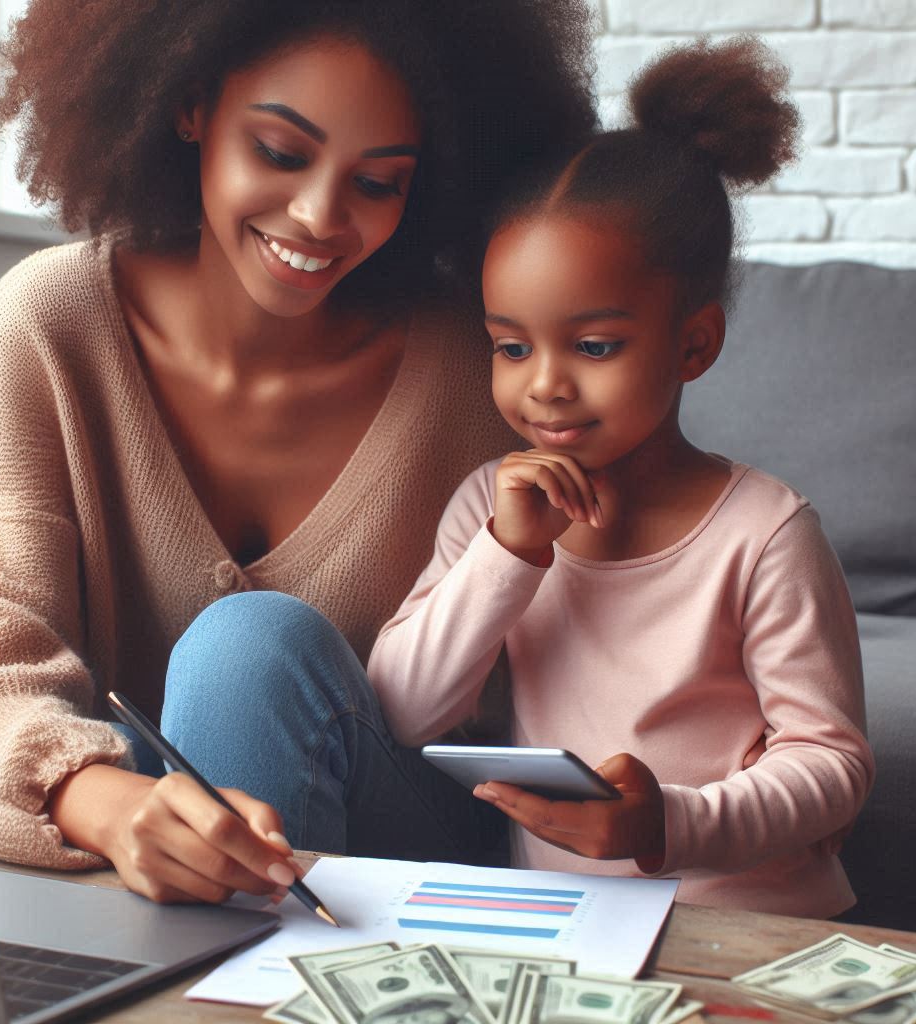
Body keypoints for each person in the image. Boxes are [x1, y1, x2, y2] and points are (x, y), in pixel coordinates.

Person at [0, 0, 598, 904]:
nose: (319, 216)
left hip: (402, 860)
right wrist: (111, 805)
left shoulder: (480, 367)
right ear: (189, 105)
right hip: (145, 868)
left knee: (249, 647)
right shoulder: (52, 325)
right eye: (281, 153)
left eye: (379, 182)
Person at [367, 36, 875, 918]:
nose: (545, 383)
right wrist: (507, 556)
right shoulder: (492, 509)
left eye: (594, 346)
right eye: (511, 347)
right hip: (568, 928)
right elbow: (402, 712)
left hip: (747, 925)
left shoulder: (765, 534)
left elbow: (832, 767)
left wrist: (665, 825)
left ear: (694, 344)